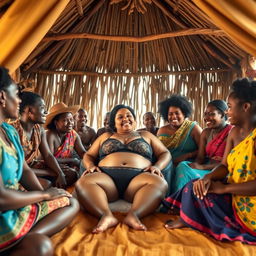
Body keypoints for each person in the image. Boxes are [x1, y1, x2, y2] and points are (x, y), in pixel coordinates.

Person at [163, 78, 256, 245]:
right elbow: (225, 165)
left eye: (229, 107)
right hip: (234, 194)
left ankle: (200, 219)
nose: (227, 112)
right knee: (195, 186)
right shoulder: (235, 133)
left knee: (204, 191)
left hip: (250, 204)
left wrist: (225, 188)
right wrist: (208, 178)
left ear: (246, 107)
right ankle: (188, 218)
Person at [0, 67, 79, 256]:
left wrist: (47, 195)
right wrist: (44, 196)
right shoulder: (16, 129)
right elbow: (1, 198)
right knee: (41, 246)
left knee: (69, 201)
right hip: (5, 206)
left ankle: (25, 236)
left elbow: (25, 170)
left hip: (12, 204)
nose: (19, 101)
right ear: (2, 97)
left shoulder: (8, 132)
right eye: (16, 95)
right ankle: (19, 238)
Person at [75, 104, 171, 233]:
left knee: (160, 183)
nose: (125, 119)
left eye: (129, 116)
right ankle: (106, 215)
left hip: (139, 181)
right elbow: (89, 155)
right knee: (83, 182)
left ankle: (134, 215)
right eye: (120, 117)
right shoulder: (106, 136)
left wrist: (157, 167)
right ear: (114, 122)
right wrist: (91, 166)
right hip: (107, 180)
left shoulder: (146, 135)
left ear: (135, 120)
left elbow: (165, 153)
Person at [172, 100, 232, 192]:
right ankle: (181, 196)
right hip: (206, 167)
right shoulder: (206, 133)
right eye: (205, 114)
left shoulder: (231, 133)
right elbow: (200, 158)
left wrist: (202, 167)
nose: (207, 118)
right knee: (183, 165)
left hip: (220, 172)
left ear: (223, 115)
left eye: (211, 114)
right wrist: (194, 166)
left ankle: (178, 199)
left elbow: (227, 164)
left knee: (186, 170)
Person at [11, 91, 67, 188]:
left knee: (69, 174)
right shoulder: (13, 131)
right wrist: (48, 172)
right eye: (42, 108)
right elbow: (17, 168)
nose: (46, 112)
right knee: (47, 184)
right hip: (17, 172)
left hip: (32, 167)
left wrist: (59, 173)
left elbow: (48, 155)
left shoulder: (39, 130)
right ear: (29, 111)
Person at [45, 103, 86, 184]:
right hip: (48, 167)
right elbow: (48, 159)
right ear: (56, 122)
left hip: (65, 166)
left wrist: (91, 160)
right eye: (65, 120)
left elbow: (83, 153)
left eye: (71, 119)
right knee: (71, 174)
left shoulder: (73, 134)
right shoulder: (50, 135)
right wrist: (73, 160)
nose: (70, 123)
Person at [157, 95, 202, 165]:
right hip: (167, 165)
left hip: (188, 165)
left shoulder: (194, 128)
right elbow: (158, 152)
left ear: (184, 114)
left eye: (177, 113)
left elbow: (204, 149)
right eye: (170, 114)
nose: (174, 116)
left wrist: (188, 155)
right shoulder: (161, 131)